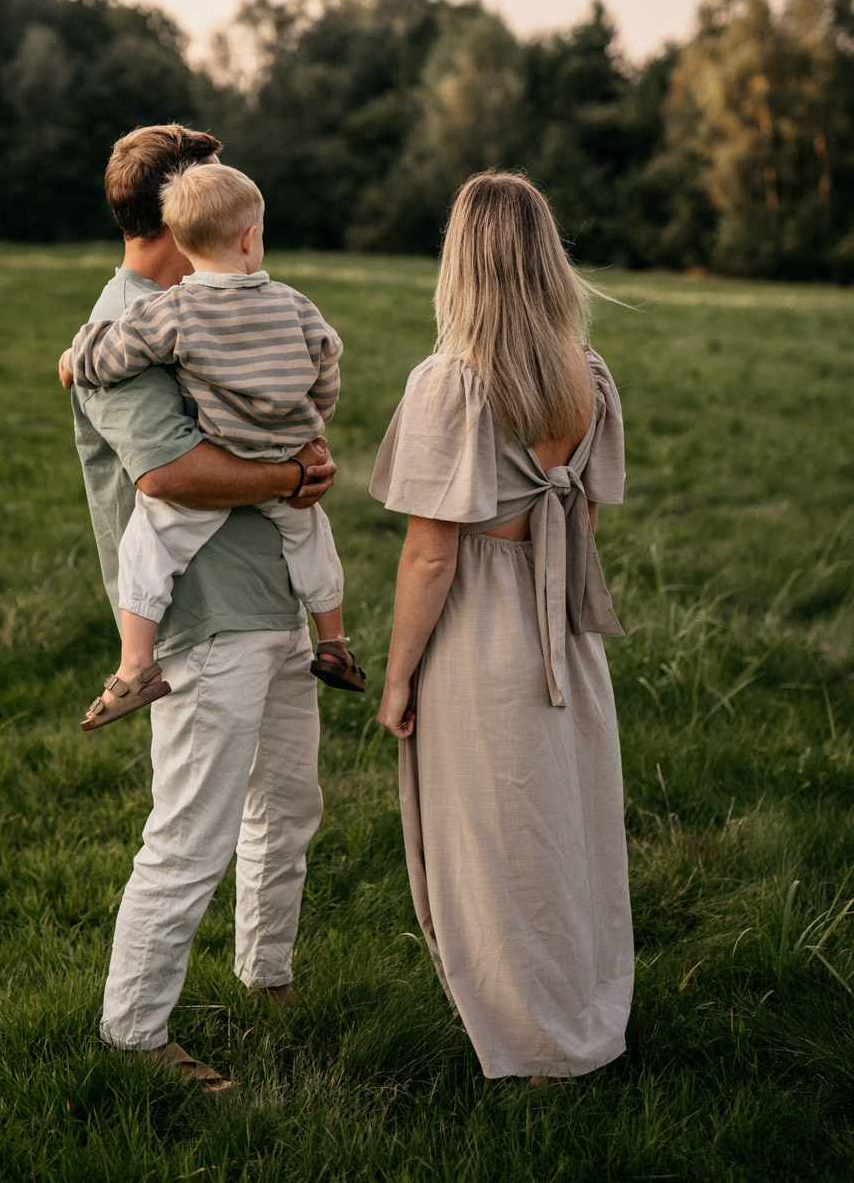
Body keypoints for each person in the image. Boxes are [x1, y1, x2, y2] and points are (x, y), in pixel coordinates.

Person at [64, 122, 336, 1093]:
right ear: (178, 214)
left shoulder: (221, 305)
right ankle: (134, 1038)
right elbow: (173, 473)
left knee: (286, 811)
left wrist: (301, 458)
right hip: (200, 621)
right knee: (189, 835)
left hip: (274, 607)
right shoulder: (123, 327)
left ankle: (267, 979)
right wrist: (290, 472)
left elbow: (287, 410)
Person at [371, 171, 633, 1082]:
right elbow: (586, 522)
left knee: (489, 838)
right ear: (548, 260)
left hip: (481, 633)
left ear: (462, 264)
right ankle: (577, 997)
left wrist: (400, 675)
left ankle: (527, 1037)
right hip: (562, 625)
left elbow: (431, 556)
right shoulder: (587, 375)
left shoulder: (453, 382)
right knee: (562, 823)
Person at [61, 161, 365, 732]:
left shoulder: (169, 311)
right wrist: (311, 426)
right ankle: (335, 643)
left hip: (227, 456)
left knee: (148, 549)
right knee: (315, 544)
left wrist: (73, 359)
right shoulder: (297, 305)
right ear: (251, 237)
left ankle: (134, 665)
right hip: (286, 459)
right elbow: (327, 365)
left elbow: (111, 355)